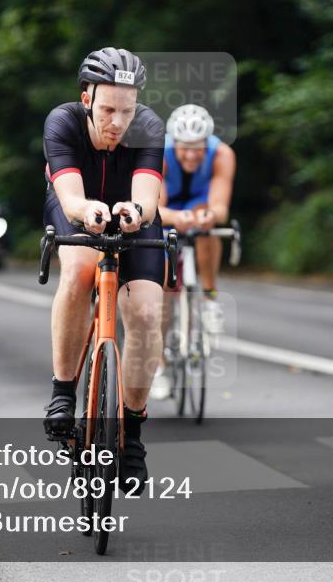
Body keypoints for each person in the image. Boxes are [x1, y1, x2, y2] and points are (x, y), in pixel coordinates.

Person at [41, 47, 165, 491]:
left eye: (126, 110)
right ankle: (62, 393)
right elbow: (70, 196)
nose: (117, 122)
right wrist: (87, 209)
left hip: (131, 213)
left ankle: (131, 432)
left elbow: (147, 196)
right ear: (87, 97)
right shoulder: (63, 121)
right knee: (78, 268)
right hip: (76, 207)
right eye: (108, 109)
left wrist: (135, 211)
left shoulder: (148, 125)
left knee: (148, 313)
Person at [152, 104, 236, 400]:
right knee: (162, 288)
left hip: (199, 206)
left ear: (207, 143)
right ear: (174, 142)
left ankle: (210, 298)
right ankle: (159, 363)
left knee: (208, 231)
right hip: (167, 209)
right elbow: (153, 209)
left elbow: (220, 207)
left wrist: (206, 217)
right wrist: (178, 219)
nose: (191, 155)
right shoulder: (158, 153)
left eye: (198, 148)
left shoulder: (222, 154)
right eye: (184, 148)